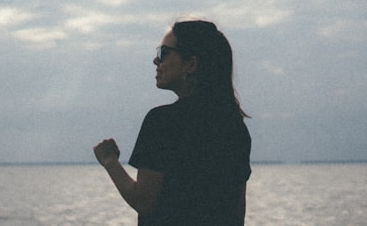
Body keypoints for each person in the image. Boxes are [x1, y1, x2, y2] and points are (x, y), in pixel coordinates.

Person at [94, 19, 252, 225]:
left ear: (191, 64)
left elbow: (144, 201)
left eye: (163, 53)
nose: (155, 61)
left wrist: (109, 161)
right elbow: (237, 215)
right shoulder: (234, 128)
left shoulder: (163, 122)